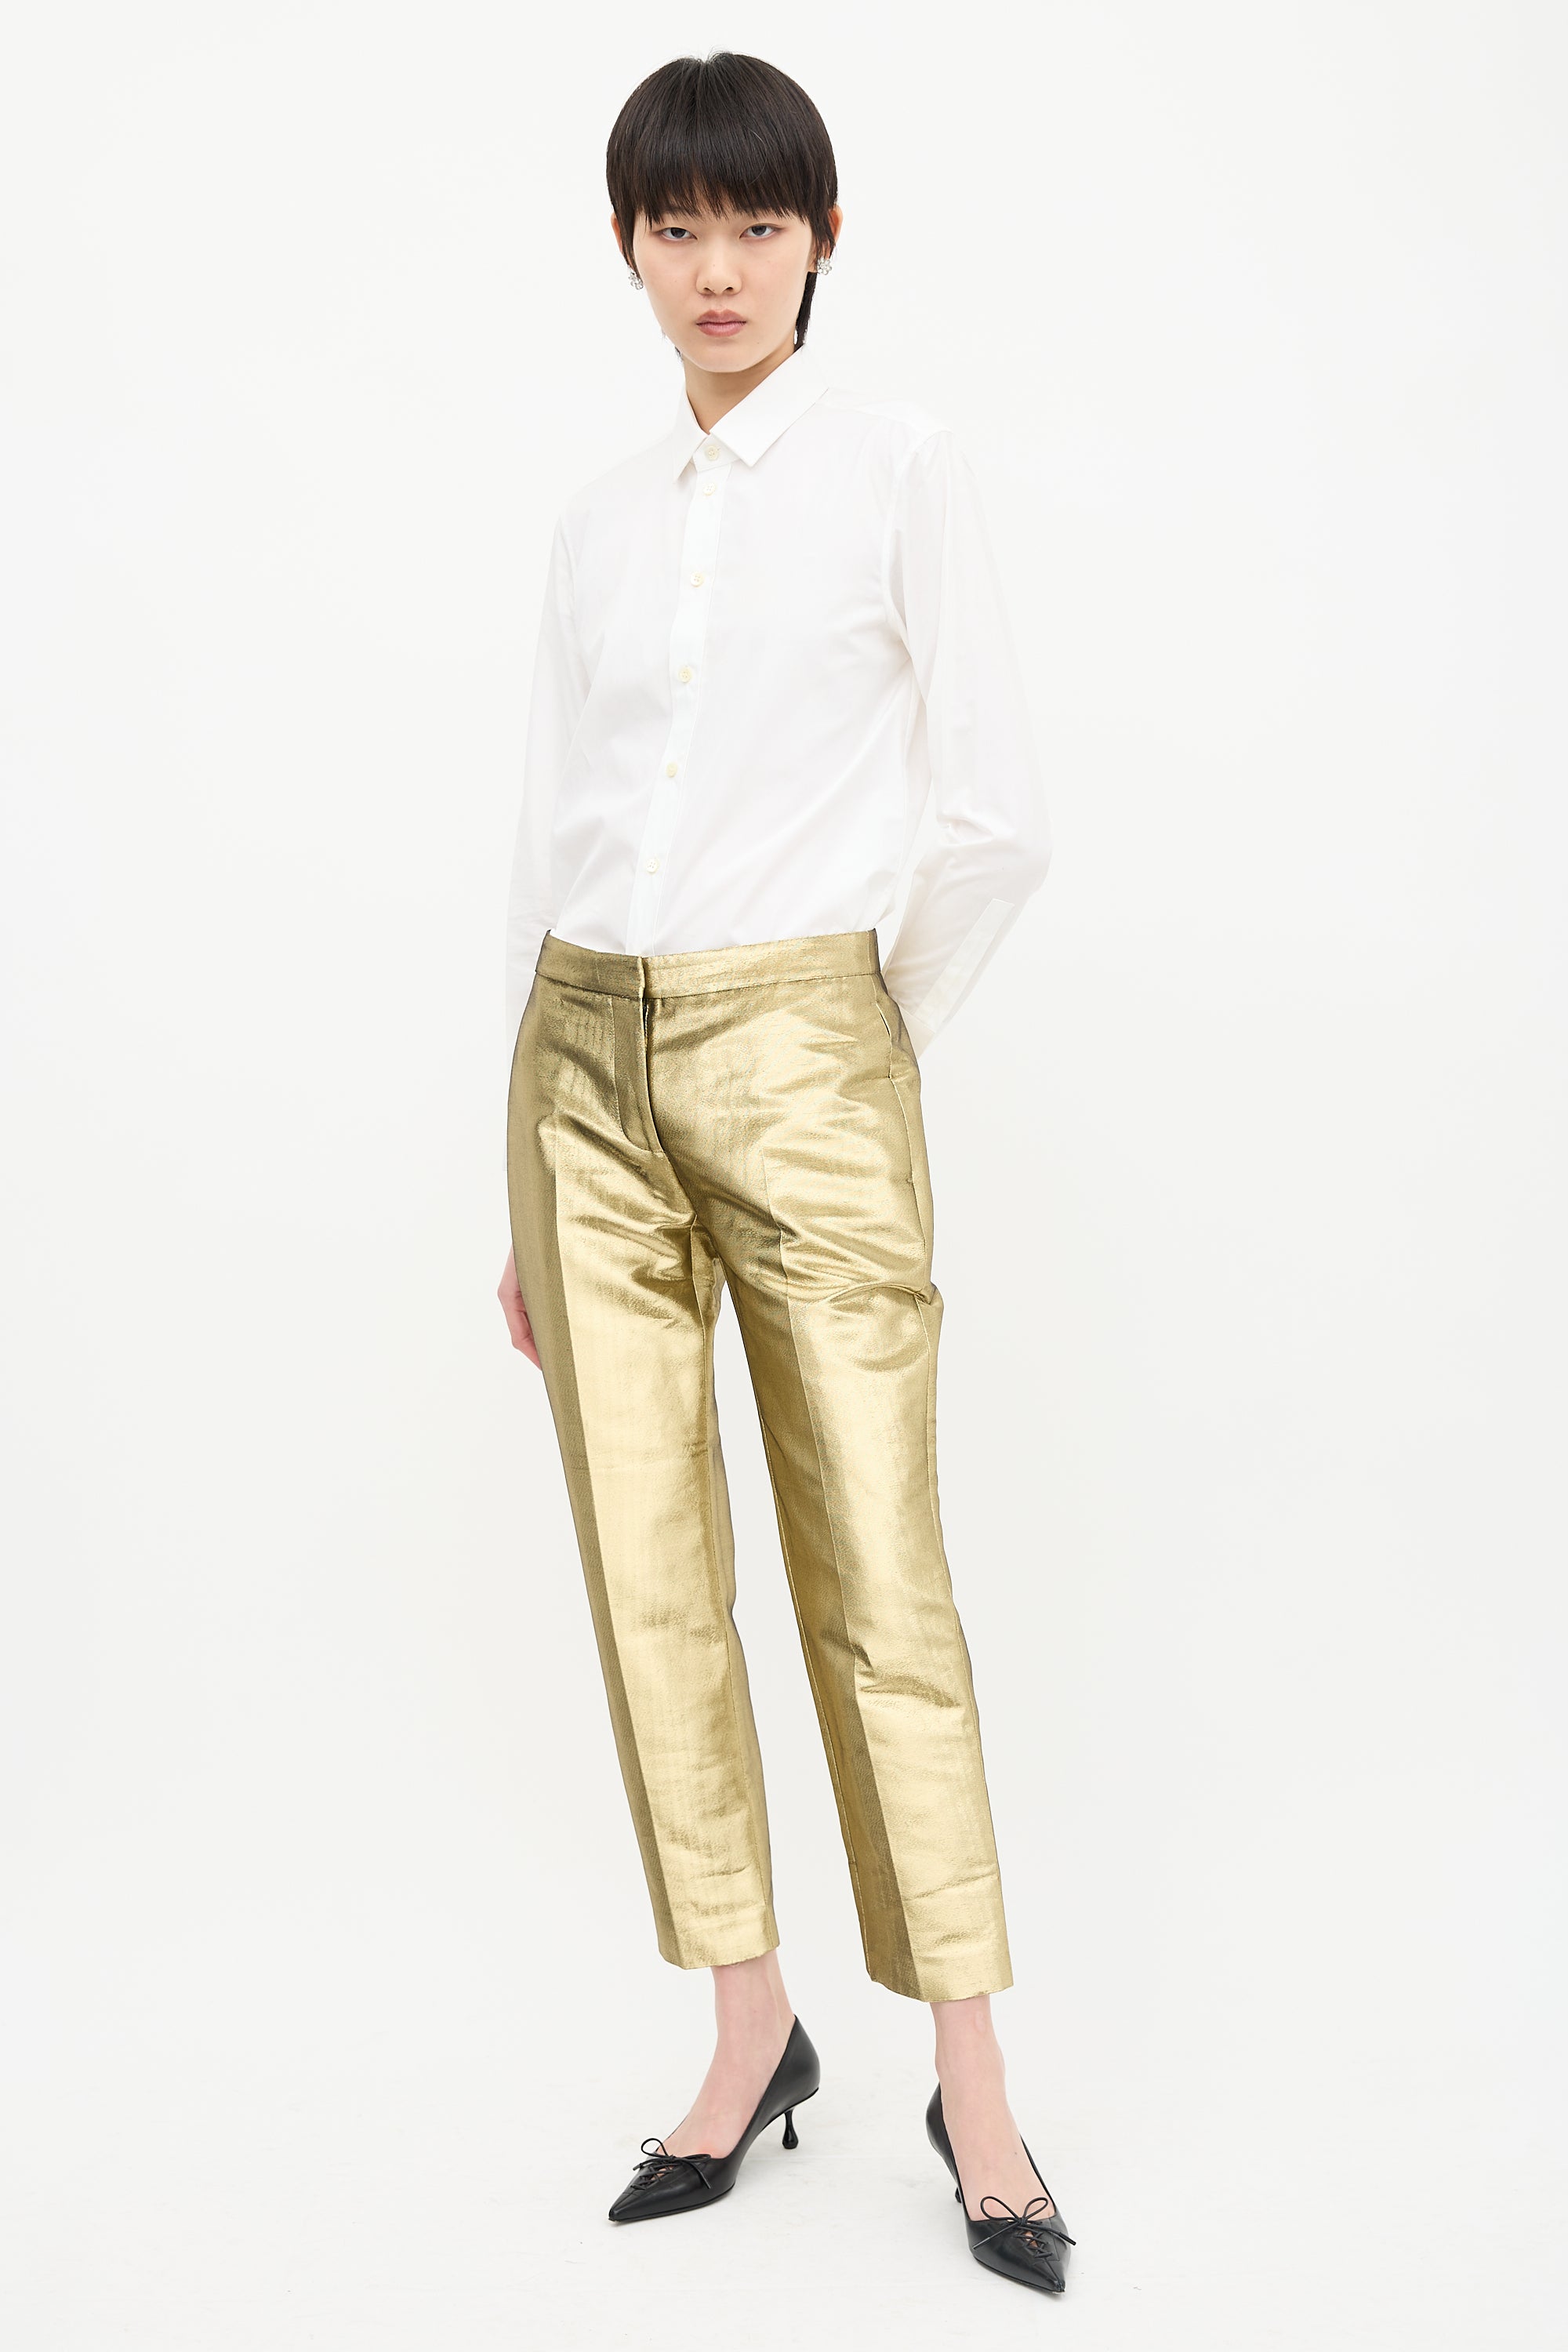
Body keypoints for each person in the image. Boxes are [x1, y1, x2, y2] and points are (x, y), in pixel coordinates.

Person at [497, 51, 1072, 2296]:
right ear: (628, 249)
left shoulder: (900, 467)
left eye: (758, 226)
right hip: (579, 1065)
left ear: (826, 239)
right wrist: (519, 1173)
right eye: (679, 229)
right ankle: (749, 2028)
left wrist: (853, 1038)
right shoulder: (596, 521)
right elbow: (550, 835)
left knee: (878, 1584)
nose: (719, 268)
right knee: (648, 1574)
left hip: (809, 1043)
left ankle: (977, 2086)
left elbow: (995, 814)